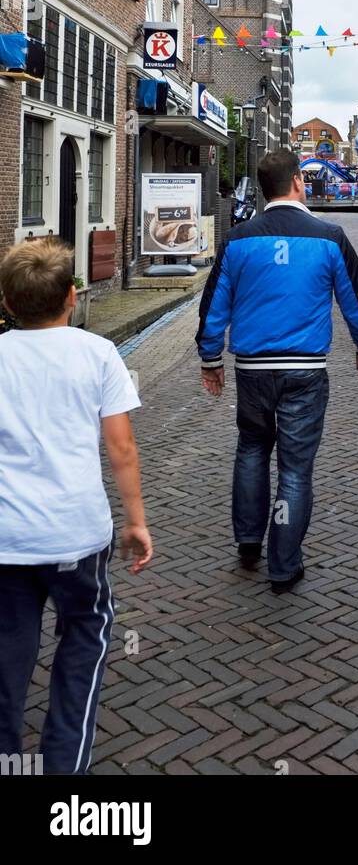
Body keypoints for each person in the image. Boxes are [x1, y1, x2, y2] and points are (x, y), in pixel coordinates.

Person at [0, 239, 152, 776]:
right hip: (75, 538)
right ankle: (64, 771)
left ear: (7, 302)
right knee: (84, 638)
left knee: (7, 653)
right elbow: (122, 448)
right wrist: (135, 521)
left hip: (7, 541)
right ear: (72, 296)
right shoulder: (97, 354)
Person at [197, 148, 358, 595]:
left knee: (252, 448)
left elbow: (214, 304)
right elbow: (355, 300)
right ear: (298, 181)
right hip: (305, 369)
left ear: (263, 188)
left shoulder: (237, 239)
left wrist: (210, 358)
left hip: (253, 370)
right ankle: (283, 565)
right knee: (295, 469)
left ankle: (248, 540)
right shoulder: (330, 237)